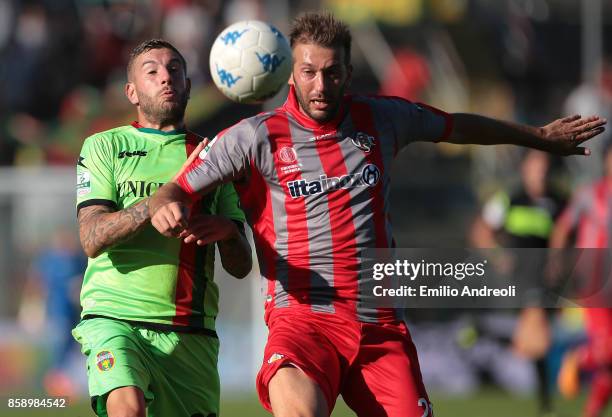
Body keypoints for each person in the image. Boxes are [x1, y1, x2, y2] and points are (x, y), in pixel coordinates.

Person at [148, 13, 606, 417]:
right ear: (291, 73)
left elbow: (458, 125)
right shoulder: (254, 137)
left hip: (377, 322)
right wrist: (169, 205)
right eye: (308, 72)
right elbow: (178, 187)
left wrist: (538, 136)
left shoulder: (384, 118)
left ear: (348, 73)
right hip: (302, 319)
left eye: (332, 73)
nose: (320, 85)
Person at [72, 39, 252, 417]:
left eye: (174, 70)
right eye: (151, 71)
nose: (165, 78)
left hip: (191, 329)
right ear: (132, 92)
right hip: (115, 318)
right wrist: (149, 207)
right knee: (128, 410)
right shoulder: (105, 146)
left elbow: (240, 265)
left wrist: (228, 233)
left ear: (187, 84)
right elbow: (91, 238)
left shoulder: (214, 157)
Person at [471, 149, 565, 416]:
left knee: (532, 344)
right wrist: (498, 257)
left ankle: (480, 333)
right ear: (525, 169)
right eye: (535, 167)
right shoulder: (510, 199)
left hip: (548, 283)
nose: (540, 173)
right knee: (539, 340)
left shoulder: (560, 201)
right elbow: (481, 231)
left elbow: (570, 235)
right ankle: (546, 405)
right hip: (522, 281)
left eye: (544, 167)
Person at [552, 143, 612, 417]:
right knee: (608, 349)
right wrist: (556, 261)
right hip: (595, 282)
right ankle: (578, 358)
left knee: (609, 365)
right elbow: (564, 227)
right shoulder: (589, 194)